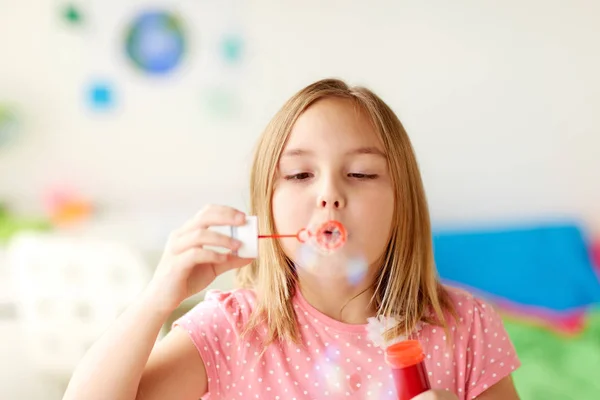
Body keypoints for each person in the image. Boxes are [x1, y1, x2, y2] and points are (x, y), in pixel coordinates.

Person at [62, 78, 521, 400]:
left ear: (403, 203)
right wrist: (156, 299)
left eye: (360, 174)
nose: (329, 195)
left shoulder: (465, 327)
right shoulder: (231, 329)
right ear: (268, 202)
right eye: (300, 174)